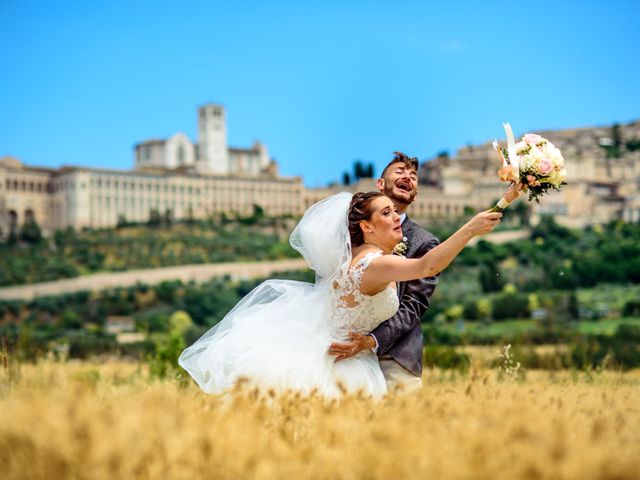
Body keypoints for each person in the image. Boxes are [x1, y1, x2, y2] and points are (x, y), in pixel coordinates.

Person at [179, 176, 520, 398]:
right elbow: (426, 266)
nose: (396, 218)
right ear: (367, 228)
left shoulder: (346, 265)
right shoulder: (374, 264)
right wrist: (470, 230)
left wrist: (504, 200)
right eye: (386, 213)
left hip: (330, 354)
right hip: (347, 370)